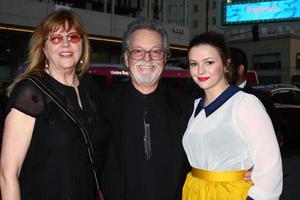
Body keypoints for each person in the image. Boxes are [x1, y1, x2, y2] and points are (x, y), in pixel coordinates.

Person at [0, 10, 107, 200]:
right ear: (43, 49)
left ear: (82, 45)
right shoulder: (31, 92)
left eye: (73, 37)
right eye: (56, 38)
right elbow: (8, 175)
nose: (66, 43)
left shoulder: (91, 89)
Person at [182, 31, 283, 200]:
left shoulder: (244, 104)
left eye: (209, 62)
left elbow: (270, 168)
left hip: (230, 193)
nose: (200, 70)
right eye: (194, 63)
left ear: (226, 64)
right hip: (196, 191)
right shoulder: (194, 106)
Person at [100, 19, 194, 200]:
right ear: (126, 58)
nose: (147, 58)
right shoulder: (102, 104)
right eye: (138, 51)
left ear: (165, 58)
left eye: (156, 52)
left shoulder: (186, 106)